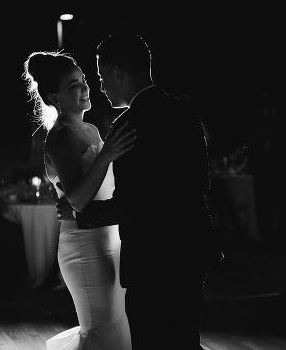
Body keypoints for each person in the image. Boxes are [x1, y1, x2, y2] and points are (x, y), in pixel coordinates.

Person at [59, 33, 223, 349]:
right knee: (186, 338)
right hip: (192, 248)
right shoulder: (183, 112)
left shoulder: (128, 125)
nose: (102, 86)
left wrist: (80, 215)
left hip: (154, 259)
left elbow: (131, 205)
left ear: (118, 73)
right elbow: (202, 182)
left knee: (151, 339)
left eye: (103, 76)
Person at [24, 51, 136, 349]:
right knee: (101, 328)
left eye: (84, 80)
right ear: (55, 97)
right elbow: (77, 201)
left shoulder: (91, 130)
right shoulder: (60, 137)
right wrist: (108, 154)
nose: (86, 88)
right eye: (74, 85)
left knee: (116, 323)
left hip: (110, 238)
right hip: (85, 247)